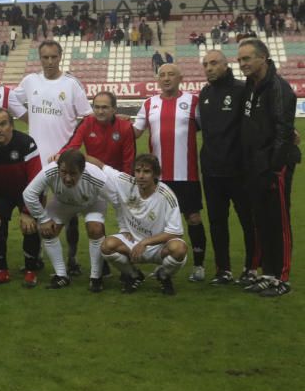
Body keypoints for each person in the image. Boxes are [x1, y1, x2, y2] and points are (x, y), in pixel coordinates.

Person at [12, 39, 92, 276]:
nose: (49, 62)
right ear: (40, 58)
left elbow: (86, 117)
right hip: (36, 158)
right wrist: (29, 118)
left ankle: (73, 258)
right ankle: (35, 256)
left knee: (71, 213)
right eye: (44, 57)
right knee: (38, 208)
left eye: (53, 57)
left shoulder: (71, 84)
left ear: (60, 57)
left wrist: (72, 146)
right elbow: (12, 101)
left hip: (64, 159)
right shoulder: (30, 81)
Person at [133, 63, 206, 281]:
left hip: (187, 174)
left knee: (193, 218)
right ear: (157, 79)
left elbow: (210, 127)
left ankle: (199, 266)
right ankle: (165, 263)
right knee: (162, 223)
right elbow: (134, 132)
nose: (166, 78)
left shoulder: (193, 101)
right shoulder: (149, 104)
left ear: (180, 78)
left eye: (171, 74)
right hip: (159, 178)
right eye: (162, 75)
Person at [237, 38, 297, 297]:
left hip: (275, 167)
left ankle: (282, 278)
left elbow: (284, 133)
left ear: (263, 57)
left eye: (247, 58)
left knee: (279, 221)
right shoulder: (252, 85)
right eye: (240, 60)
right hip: (254, 164)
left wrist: (274, 169)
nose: (243, 64)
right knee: (261, 220)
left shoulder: (279, 89)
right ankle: (268, 273)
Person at [199, 50, 254, 285]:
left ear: (225, 65)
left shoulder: (243, 90)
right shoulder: (205, 93)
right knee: (217, 222)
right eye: (205, 65)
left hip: (240, 171)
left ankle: (252, 268)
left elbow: (255, 125)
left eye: (213, 63)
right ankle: (223, 270)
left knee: (248, 221)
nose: (209, 68)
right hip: (211, 172)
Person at [96, 154, 188, 296]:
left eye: (146, 172)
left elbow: (176, 232)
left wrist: (145, 242)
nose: (141, 176)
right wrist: (65, 156)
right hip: (132, 243)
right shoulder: (126, 182)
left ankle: (163, 275)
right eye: (138, 171)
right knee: (106, 246)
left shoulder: (167, 195)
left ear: (156, 174)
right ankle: (134, 275)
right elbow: (101, 166)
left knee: (179, 249)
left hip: (158, 247)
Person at [0, 108, 43, 287]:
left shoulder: (27, 143)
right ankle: (1, 270)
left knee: (30, 226)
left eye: (3, 124)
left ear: (11, 125)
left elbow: (35, 179)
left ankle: (30, 270)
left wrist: (27, 211)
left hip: (26, 192)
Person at [23, 149, 109, 291]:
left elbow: (117, 199)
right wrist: (43, 219)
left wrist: (125, 229)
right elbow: (28, 193)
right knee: (47, 231)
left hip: (92, 203)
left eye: (73, 173)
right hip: (63, 202)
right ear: (58, 168)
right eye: (64, 172)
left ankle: (96, 277)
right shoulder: (50, 170)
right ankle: (61, 276)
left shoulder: (95, 175)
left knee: (95, 229)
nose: (68, 178)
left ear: (82, 170)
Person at [56, 91, 135, 173]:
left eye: (105, 107)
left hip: (116, 176)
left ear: (114, 109)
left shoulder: (125, 127)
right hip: (94, 174)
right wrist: (60, 155)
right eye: (97, 107)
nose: (100, 111)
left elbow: (129, 161)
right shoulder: (87, 123)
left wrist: (126, 181)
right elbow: (72, 146)